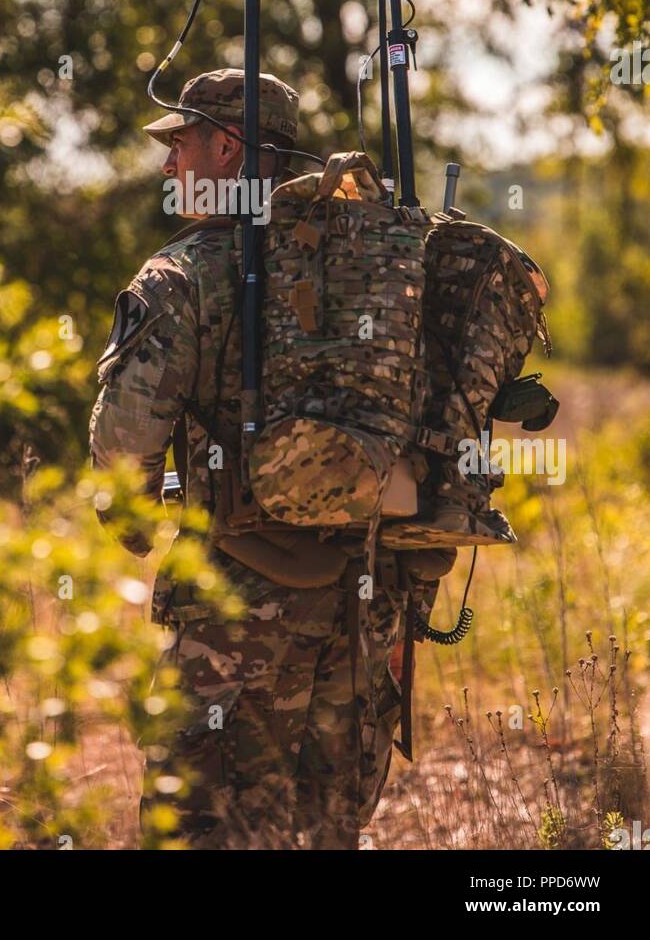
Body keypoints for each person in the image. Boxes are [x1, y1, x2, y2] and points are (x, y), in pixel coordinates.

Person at [89, 69, 455, 849]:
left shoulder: (182, 274)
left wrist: (130, 516)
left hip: (235, 602)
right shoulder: (371, 263)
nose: (166, 167)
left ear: (225, 148)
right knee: (324, 827)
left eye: (178, 145)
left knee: (199, 825)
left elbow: (124, 444)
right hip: (366, 595)